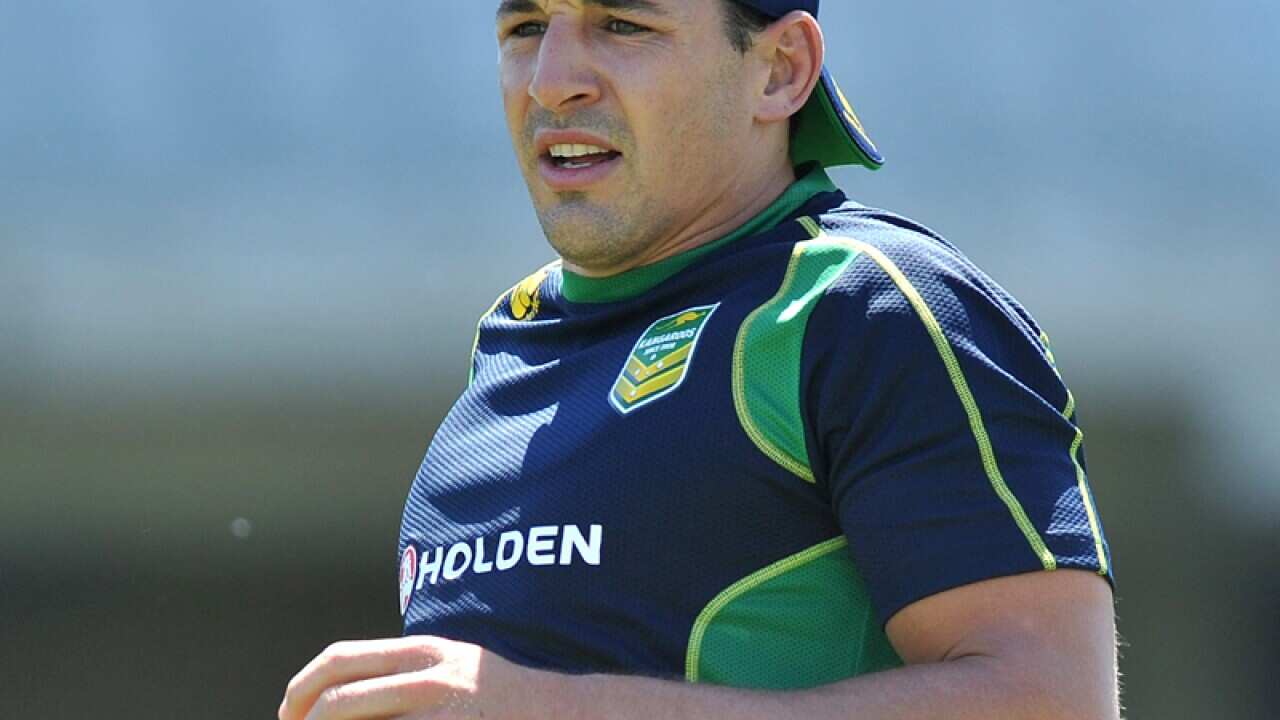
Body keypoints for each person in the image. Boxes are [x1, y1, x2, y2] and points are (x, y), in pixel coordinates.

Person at [279, 1, 1119, 718]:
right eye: (527, 25)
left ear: (780, 69)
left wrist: (557, 707)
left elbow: (1053, 701)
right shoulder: (510, 342)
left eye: (622, 23)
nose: (551, 79)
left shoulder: (870, 308)